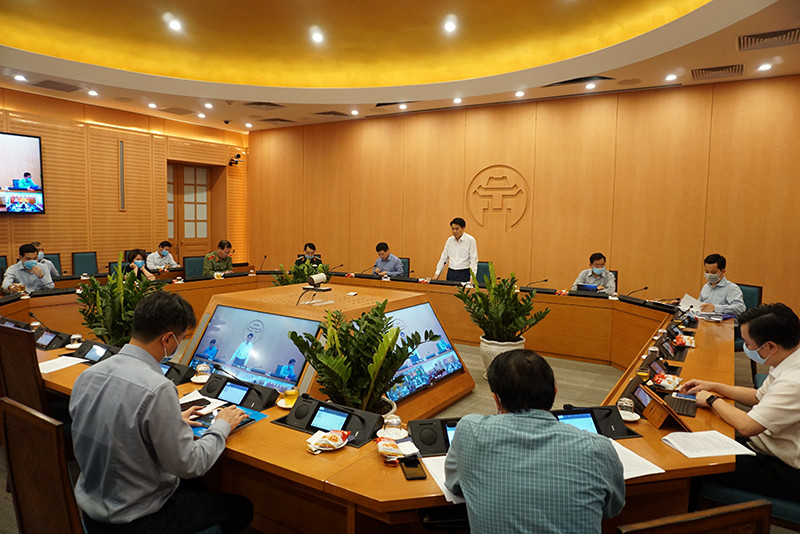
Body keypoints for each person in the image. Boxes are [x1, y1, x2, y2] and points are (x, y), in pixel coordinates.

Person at [69, 291, 253, 533]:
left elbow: (118, 423)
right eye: (182, 339)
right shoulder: (157, 388)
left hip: (94, 512)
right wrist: (222, 425)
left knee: (197, 488)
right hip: (140, 520)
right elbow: (191, 464)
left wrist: (172, 420)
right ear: (167, 339)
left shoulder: (88, 375)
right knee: (241, 507)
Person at [444, 349, 624, 533]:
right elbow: (613, 509)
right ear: (554, 393)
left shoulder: (469, 431)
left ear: (496, 400)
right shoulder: (599, 448)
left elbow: (453, 484)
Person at [682, 303, 800, 501]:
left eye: (748, 343)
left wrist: (711, 399)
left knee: (696, 463)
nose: (746, 348)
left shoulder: (793, 381)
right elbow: (757, 397)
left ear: (771, 346)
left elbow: (747, 426)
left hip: (785, 470)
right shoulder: (787, 358)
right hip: (768, 446)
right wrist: (714, 386)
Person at [433, 217, 478, 282]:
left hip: (464, 273)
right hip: (451, 273)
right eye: (452, 229)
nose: (454, 231)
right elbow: (444, 258)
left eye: (457, 229)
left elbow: (473, 260)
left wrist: (472, 278)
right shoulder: (449, 240)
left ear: (463, 228)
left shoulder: (470, 240)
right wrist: (437, 274)